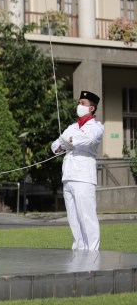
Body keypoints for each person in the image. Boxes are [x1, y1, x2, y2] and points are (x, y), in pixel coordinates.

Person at [51, 91, 104, 251]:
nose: (79, 106)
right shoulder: (73, 127)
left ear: (92, 108)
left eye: (83, 103)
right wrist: (65, 143)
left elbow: (88, 139)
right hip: (68, 176)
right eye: (79, 102)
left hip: (83, 176)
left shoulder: (96, 126)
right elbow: (55, 145)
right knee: (73, 218)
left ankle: (92, 250)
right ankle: (79, 249)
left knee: (86, 216)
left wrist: (70, 140)